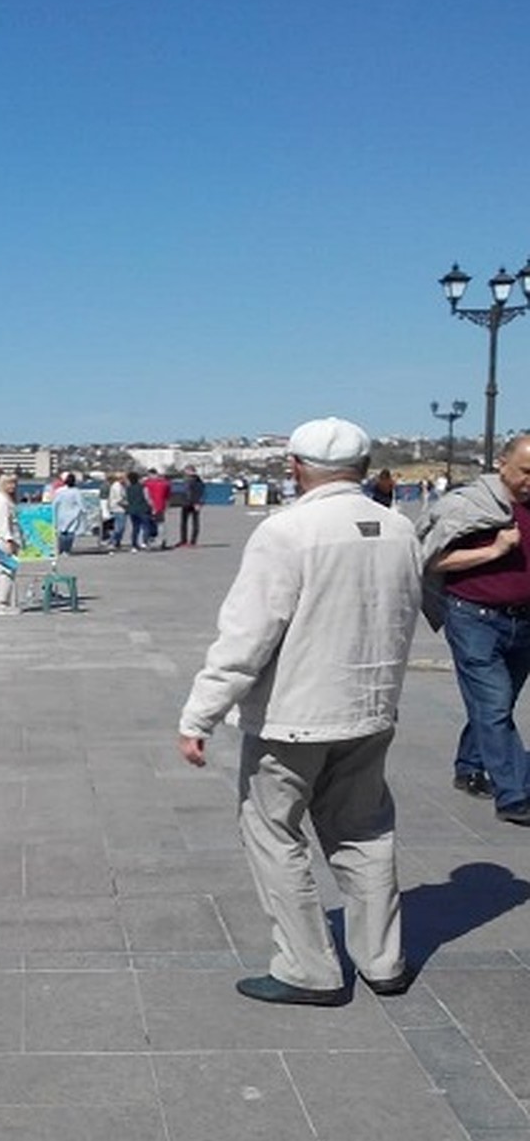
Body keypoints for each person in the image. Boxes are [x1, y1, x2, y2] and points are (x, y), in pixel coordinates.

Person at [178, 417, 422, 1006]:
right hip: (370, 709)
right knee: (365, 831)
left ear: (295, 467)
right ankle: (382, 959)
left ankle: (308, 967)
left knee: (273, 832)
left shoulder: (286, 532)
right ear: (363, 469)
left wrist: (199, 715)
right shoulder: (399, 529)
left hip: (294, 715)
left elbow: (247, 635)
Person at [416, 433, 530, 821]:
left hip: (523, 620)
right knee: (494, 703)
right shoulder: (470, 506)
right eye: (526, 471)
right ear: (502, 464)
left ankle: (469, 765)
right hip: (474, 618)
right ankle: (514, 794)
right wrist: (494, 550)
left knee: (497, 703)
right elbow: (432, 560)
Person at [0, 472, 23, 615]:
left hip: (1, 538)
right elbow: (4, 522)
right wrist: (9, 540)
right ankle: (2, 603)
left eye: (14, 483)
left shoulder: (1, 498)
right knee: (6, 572)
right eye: (10, 483)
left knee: (0, 571)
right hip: (5, 540)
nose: (13, 486)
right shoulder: (3, 500)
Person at [52, 472, 87, 555]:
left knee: (62, 533)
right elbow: (81, 504)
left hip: (61, 514)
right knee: (70, 533)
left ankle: (61, 549)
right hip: (73, 515)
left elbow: (55, 503)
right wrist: (84, 512)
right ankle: (66, 550)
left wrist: (53, 513)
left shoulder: (60, 492)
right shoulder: (76, 492)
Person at [178, 465, 205, 546]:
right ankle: (184, 540)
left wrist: (198, 502)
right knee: (184, 523)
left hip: (192, 503)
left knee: (194, 522)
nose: (185, 472)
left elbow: (199, 492)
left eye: (187, 471)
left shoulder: (197, 480)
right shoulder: (187, 480)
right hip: (186, 502)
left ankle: (192, 541)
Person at [143, 469, 171, 549]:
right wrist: (167, 506)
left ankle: (147, 542)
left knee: (147, 525)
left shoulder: (148, 484)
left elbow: (146, 496)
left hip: (150, 507)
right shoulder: (165, 483)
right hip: (161, 506)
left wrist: (152, 506)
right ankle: (162, 541)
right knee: (161, 524)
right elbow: (168, 497)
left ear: (151, 474)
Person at [107, 471, 129, 550]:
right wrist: (127, 505)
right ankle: (112, 541)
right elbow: (119, 499)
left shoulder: (121, 486)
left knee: (120, 527)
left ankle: (117, 542)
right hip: (118, 508)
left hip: (121, 509)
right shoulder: (116, 486)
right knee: (119, 527)